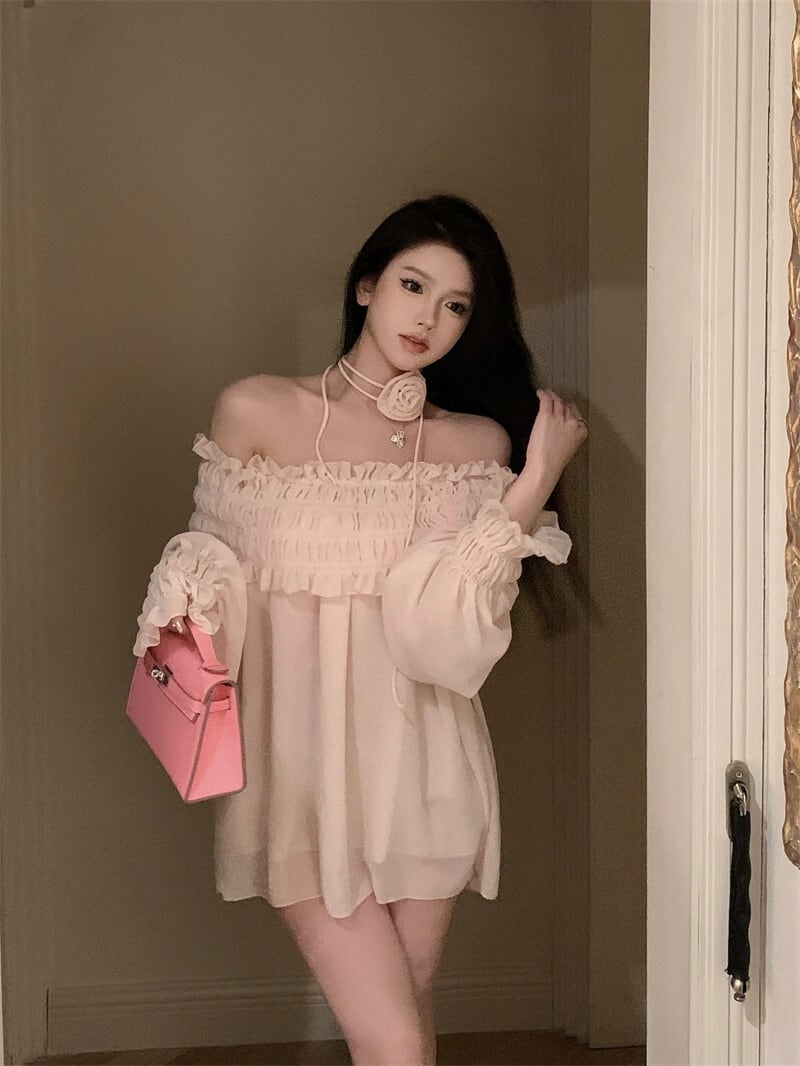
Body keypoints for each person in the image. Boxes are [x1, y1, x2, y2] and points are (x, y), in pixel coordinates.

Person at [133, 193, 587, 1066]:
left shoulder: (476, 446)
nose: (428, 319)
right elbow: (213, 579)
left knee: (402, 1024)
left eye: (456, 305)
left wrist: (533, 482)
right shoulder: (255, 411)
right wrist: (185, 602)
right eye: (413, 286)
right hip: (298, 765)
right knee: (398, 1042)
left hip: (427, 762)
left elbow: (451, 636)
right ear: (367, 286)